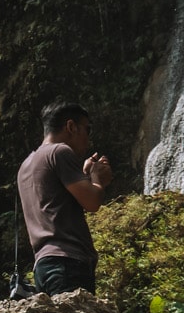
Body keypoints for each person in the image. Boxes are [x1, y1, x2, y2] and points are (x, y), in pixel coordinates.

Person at [16, 99, 113, 295]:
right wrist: (97, 179)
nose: (88, 138)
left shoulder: (26, 165)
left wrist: (85, 176)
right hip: (67, 264)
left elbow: (56, 203)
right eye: (87, 129)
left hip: (44, 266)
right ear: (71, 126)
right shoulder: (60, 152)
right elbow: (92, 202)